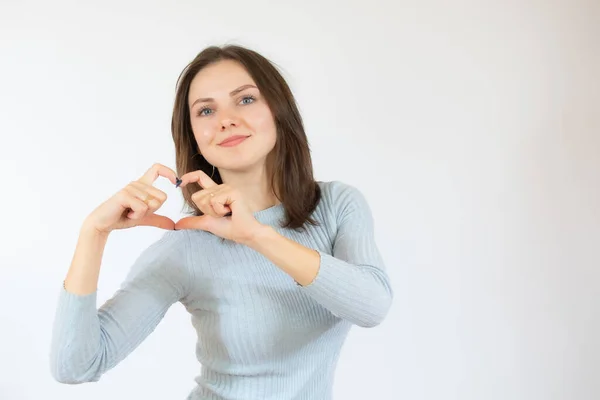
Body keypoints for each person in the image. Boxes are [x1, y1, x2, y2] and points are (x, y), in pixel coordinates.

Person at [50, 44, 393, 399]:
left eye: (245, 100)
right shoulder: (187, 246)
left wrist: (257, 236)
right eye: (206, 110)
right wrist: (94, 232)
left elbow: (372, 307)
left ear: (279, 109)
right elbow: (76, 366)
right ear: (194, 134)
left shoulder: (336, 205)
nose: (225, 119)